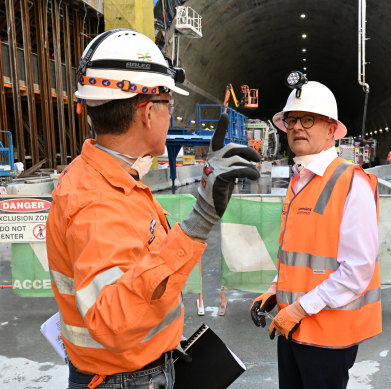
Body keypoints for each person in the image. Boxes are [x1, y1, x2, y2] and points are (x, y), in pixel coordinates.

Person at [46, 29, 260, 389]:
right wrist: (199, 222)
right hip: (125, 379)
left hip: (133, 371)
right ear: (147, 112)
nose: (171, 115)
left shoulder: (110, 180)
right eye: (169, 105)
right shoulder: (96, 202)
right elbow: (113, 320)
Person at [249, 76, 381, 388]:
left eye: (308, 119)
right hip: (292, 327)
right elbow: (296, 256)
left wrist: (298, 308)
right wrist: (273, 291)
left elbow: (357, 271)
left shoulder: (352, 183)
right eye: (292, 120)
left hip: (328, 337)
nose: (296, 127)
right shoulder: (299, 181)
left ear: (331, 130)